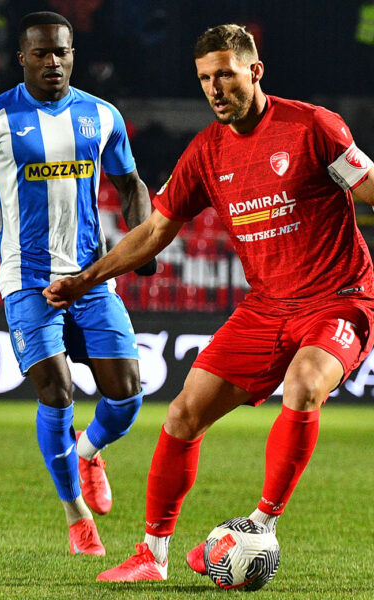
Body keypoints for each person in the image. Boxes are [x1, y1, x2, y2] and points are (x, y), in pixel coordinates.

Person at [43, 23, 374, 581]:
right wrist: (84, 280)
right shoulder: (205, 153)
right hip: (265, 308)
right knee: (182, 414)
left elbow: (369, 187)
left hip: (339, 299)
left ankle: (260, 526)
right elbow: (154, 233)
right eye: (204, 79)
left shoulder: (312, 127)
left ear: (255, 71)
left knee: (304, 384)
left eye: (225, 74)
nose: (215, 89)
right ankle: (152, 556)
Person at [0, 11, 157, 556]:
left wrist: (143, 240)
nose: (53, 61)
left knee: (127, 395)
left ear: (73, 54)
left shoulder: (101, 115)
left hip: (90, 277)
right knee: (57, 391)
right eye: (42, 53)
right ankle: (77, 514)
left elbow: (131, 184)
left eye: (62, 52)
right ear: (22, 58)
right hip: (27, 280)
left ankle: (88, 451)